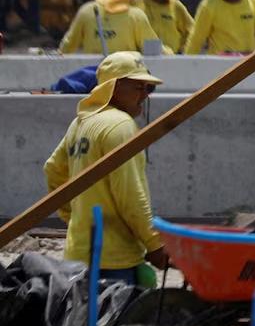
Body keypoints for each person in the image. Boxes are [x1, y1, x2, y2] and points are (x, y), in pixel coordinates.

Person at [42, 52, 171, 285]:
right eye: (138, 87)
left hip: (78, 253)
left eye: (148, 89)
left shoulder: (82, 121)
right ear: (114, 87)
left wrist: (74, 217)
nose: (144, 95)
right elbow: (130, 195)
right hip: (113, 258)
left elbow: (53, 169)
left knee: (84, 319)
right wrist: (154, 244)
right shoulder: (120, 126)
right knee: (114, 319)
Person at [61, 0, 164, 55]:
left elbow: (66, 47)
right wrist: (170, 52)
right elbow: (153, 50)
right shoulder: (137, 16)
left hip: (93, 74)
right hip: (125, 74)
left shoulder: (86, 11)